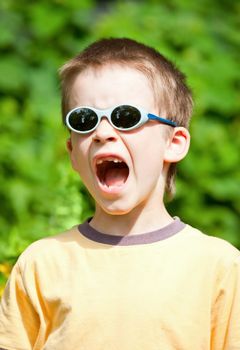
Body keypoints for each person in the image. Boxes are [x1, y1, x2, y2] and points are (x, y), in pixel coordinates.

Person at [0, 38, 239, 350]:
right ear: (73, 152)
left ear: (174, 143)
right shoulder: (41, 264)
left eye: (125, 117)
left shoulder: (219, 267)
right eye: (84, 120)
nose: (101, 133)